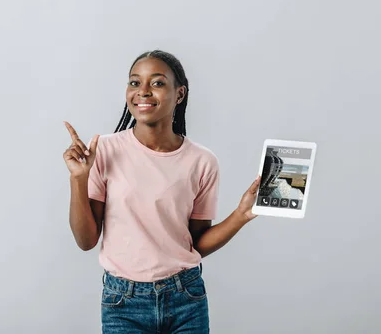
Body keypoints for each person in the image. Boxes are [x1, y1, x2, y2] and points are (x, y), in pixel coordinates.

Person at [62, 50, 261, 333]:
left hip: (186, 298)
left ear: (179, 94)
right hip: (123, 302)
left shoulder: (202, 161)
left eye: (156, 83)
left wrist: (241, 215)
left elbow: (196, 243)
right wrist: (78, 179)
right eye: (134, 83)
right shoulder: (104, 150)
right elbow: (85, 240)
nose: (143, 91)